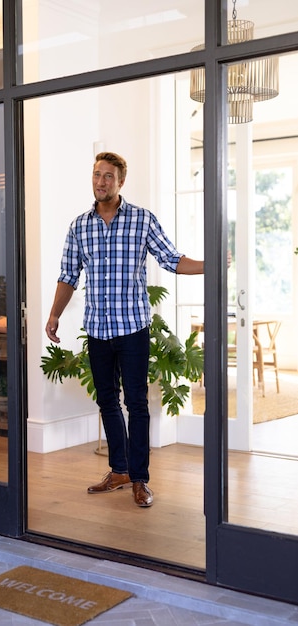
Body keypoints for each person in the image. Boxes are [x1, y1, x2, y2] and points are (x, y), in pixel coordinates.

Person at [45, 152, 204, 507]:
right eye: (96, 175)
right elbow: (68, 275)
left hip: (132, 328)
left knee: (136, 402)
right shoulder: (79, 226)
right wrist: (54, 314)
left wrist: (209, 265)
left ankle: (140, 479)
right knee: (106, 400)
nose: (100, 181)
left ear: (121, 182)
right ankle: (119, 470)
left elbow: (170, 259)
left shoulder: (142, 220)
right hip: (98, 329)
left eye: (108, 176)